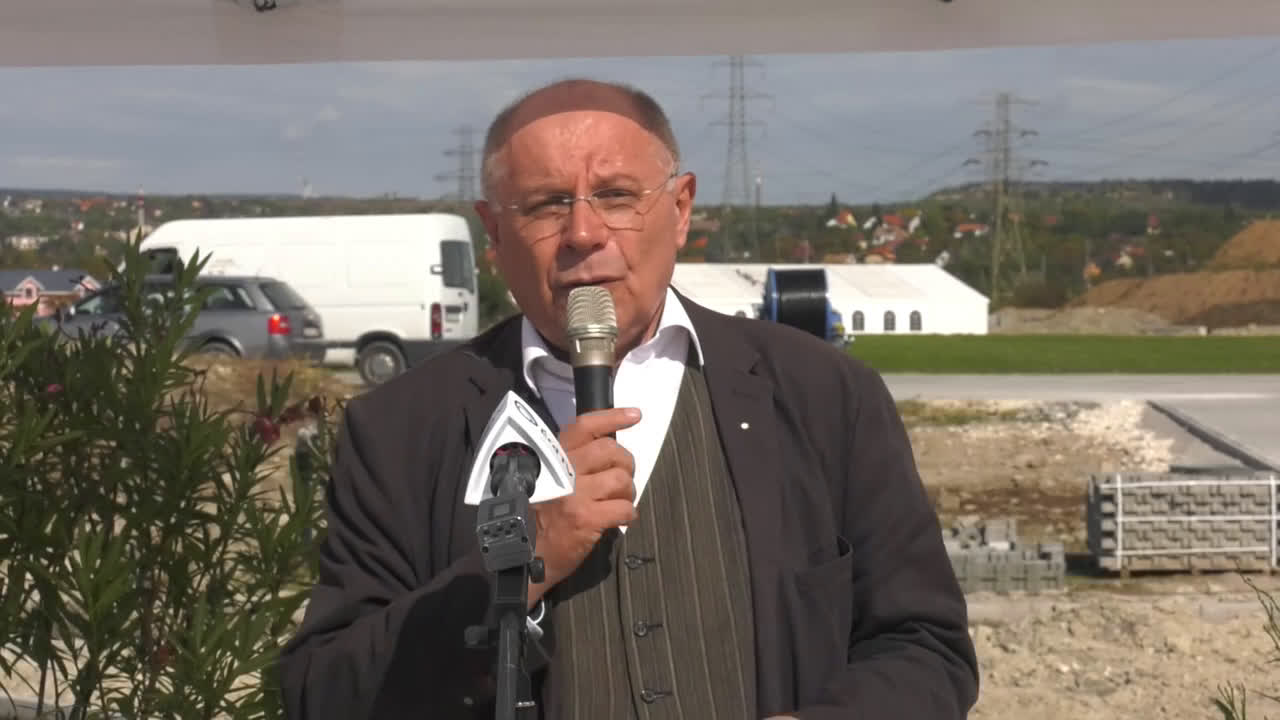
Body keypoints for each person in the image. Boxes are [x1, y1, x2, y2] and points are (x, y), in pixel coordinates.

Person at [277, 78, 979, 720]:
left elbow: (926, 646)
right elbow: (326, 692)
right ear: (493, 232)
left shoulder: (823, 394)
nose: (584, 235)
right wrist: (521, 560)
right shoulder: (402, 428)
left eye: (616, 196)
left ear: (680, 209)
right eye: (547, 204)